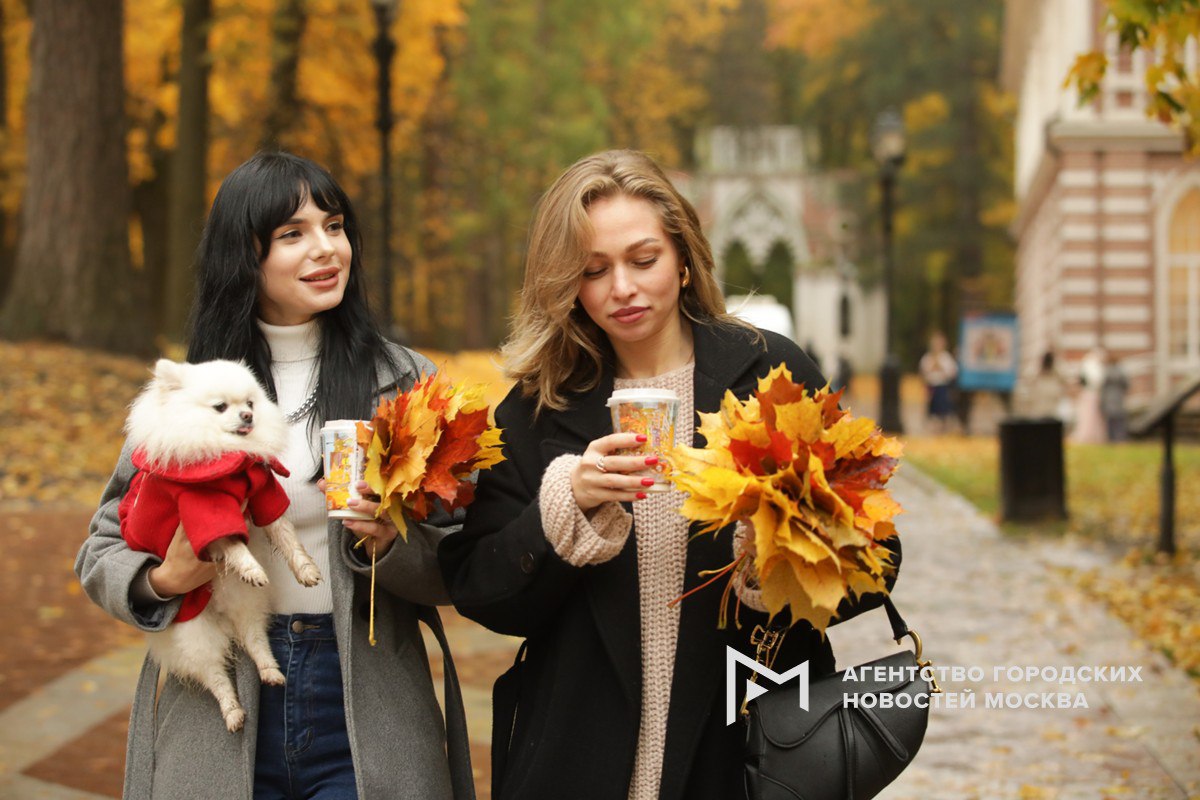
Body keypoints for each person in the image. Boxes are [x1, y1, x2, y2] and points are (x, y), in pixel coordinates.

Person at [438, 150, 901, 800]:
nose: (621, 287)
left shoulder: (771, 376)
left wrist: (774, 559)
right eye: (593, 270)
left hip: (747, 756)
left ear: (684, 259)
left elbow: (878, 560)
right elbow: (483, 594)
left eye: (643, 259)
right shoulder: (538, 408)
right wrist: (564, 509)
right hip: (578, 761)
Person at [75, 152, 473, 800]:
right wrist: (164, 580)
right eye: (293, 234)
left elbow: (460, 554)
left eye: (335, 225)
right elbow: (100, 548)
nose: (325, 248)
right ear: (244, 256)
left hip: (363, 694)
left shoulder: (403, 382)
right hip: (222, 692)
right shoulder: (199, 391)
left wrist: (389, 546)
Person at [918, 331, 958, 433]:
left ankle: (943, 424)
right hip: (931, 385)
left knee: (943, 406)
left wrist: (940, 367)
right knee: (932, 406)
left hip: (943, 386)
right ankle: (933, 424)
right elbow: (924, 371)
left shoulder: (946, 357)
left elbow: (951, 372)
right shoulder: (927, 357)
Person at [1073, 347, 1107, 444]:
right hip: (1091, 393)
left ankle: (1093, 436)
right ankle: (1088, 436)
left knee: (1092, 416)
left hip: (1091, 393)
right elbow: (1096, 380)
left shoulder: (1088, 364)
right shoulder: (1091, 364)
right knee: (1089, 416)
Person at [1100, 351, 1130, 442]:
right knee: (1119, 420)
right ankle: (1120, 437)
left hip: (1109, 398)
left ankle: (1111, 438)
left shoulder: (1107, 371)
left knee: (1110, 420)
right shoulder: (1121, 371)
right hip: (1119, 398)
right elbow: (1126, 384)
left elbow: (1103, 386)